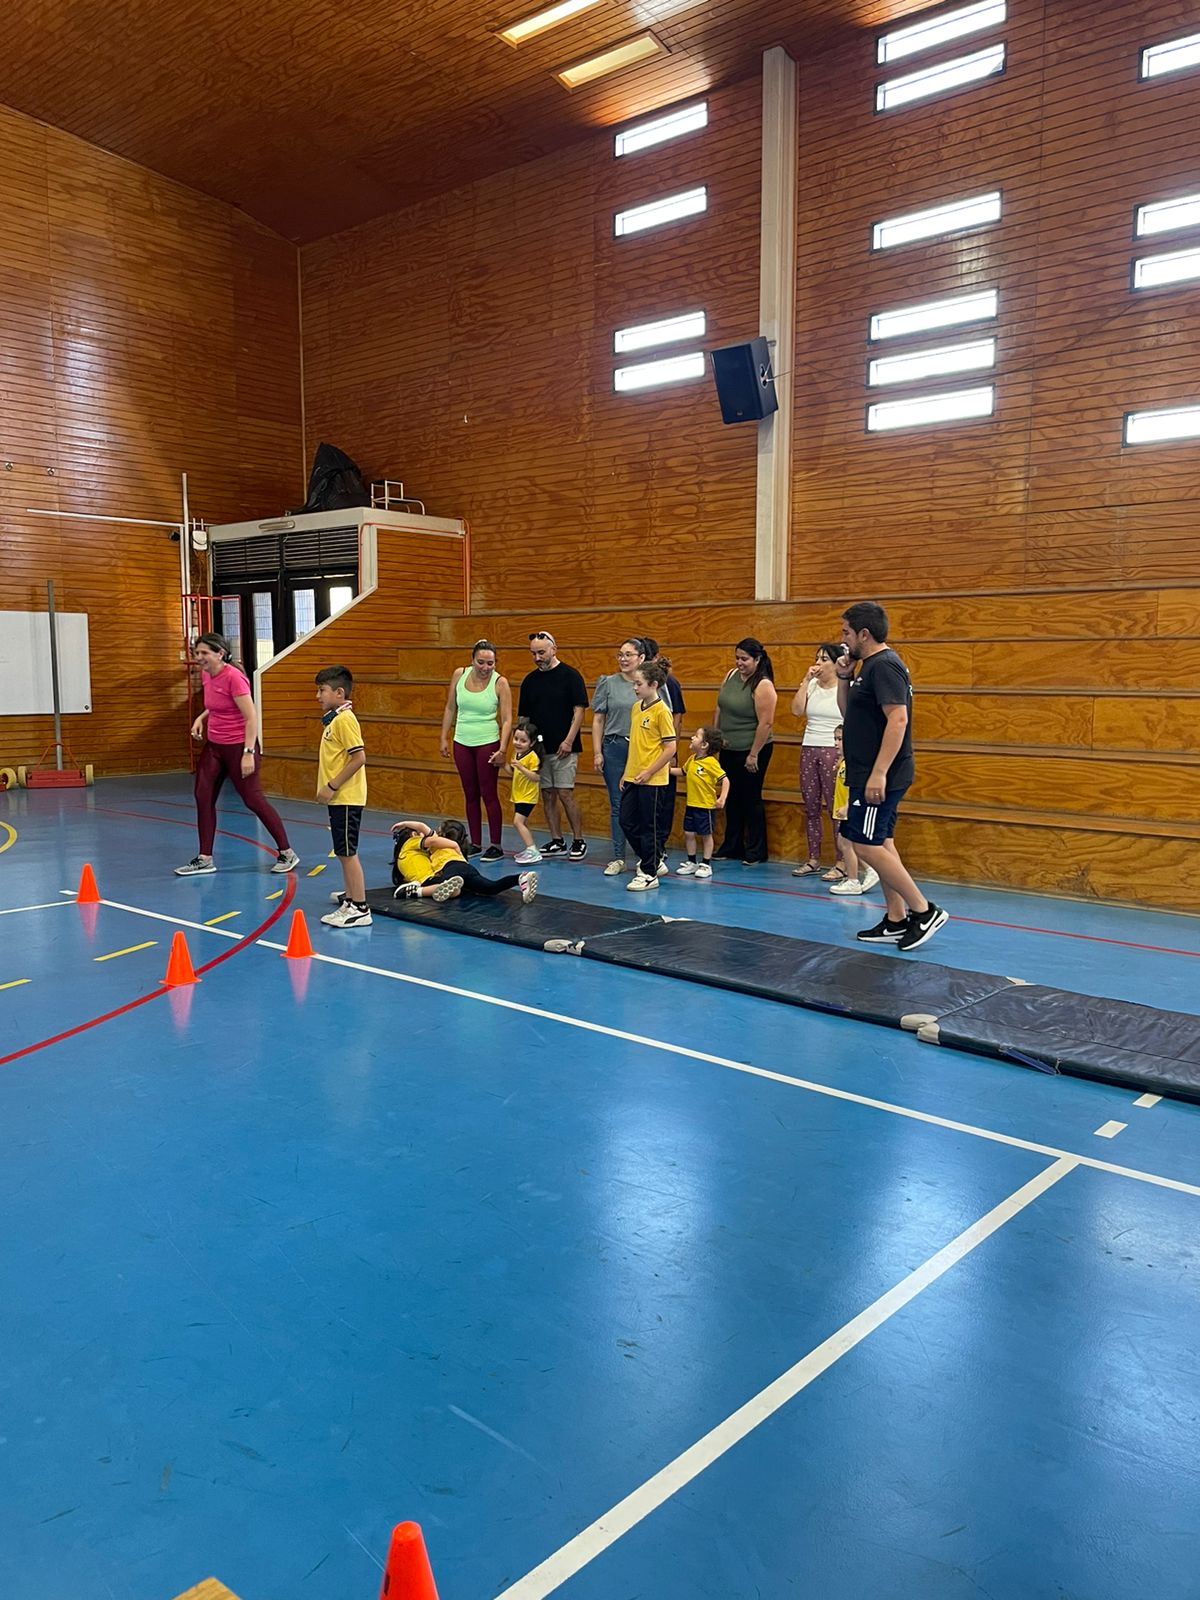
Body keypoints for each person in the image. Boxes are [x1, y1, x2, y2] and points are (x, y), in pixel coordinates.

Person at [835, 600, 947, 950]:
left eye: (846, 632)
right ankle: (896, 919)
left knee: (864, 844)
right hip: (865, 771)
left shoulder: (884, 666)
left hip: (880, 773)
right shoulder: (866, 667)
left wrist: (879, 773)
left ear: (864, 634)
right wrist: (843, 678)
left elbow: (898, 719)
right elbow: (849, 714)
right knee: (881, 842)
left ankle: (924, 910)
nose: (842, 639)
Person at [176, 632, 299, 877]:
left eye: (204, 653)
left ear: (220, 654)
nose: (199, 657)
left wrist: (248, 753)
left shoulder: (234, 678)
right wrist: (201, 718)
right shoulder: (207, 674)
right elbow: (217, 705)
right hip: (215, 746)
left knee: (252, 799)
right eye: (197, 653)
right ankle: (204, 858)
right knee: (203, 795)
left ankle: (287, 852)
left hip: (239, 745)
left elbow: (251, 717)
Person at [518, 631, 589, 859]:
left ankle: (578, 840)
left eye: (541, 652)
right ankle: (557, 840)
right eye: (533, 653)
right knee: (547, 794)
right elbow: (524, 718)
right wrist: (524, 748)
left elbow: (579, 712)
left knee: (565, 793)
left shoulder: (571, 676)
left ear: (553, 650)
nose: (537, 657)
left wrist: (568, 740)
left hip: (564, 749)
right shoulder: (529, 681)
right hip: (540, 750)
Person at [440, 639, 512, 861]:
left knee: (488, 793)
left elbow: (507, 719)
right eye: (481, 662)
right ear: (472, 660)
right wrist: (444, 737)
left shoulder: (500, 683)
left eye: (490, 663)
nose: (485, 668)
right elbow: (450, 707)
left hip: (487, 742)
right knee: (470, 793)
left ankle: (496, 845)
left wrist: (502, 749)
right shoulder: (459, 674)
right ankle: (476, 843)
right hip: (462, 741)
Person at [312, 665, 371, 928]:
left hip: (346, 797)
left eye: (322, 690)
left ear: (339, 693)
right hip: (340, 799)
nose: (318, 696)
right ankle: (350, 897)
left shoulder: (345, 720)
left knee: (347, 852)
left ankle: (359, 908)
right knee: (342, 850)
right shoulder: (335, 720)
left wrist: (332, 786)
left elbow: (359, 758)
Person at [713, 638, 777, 865]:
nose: (739, 663)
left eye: (744, 659)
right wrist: (715, 738)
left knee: (751, 798)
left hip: (752, 748)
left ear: (757, 660)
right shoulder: (730, 675)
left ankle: (756, 850)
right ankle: (732, 846)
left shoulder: (763, 685)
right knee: (732, 798)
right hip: (729, 747)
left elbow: (766, 723)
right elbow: (720, 707)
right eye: (737, 658)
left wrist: (753, 754)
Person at [792, 643, 850, 878]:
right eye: (817, 658)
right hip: (809, 747)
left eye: (824, 659)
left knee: (836, 807)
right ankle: (813, 858)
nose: (818, 663)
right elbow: (797, 710)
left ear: (836, 663)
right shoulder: (813, 684)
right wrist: (806, 681)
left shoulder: (845, 687)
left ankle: (842, 861)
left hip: (833, 749)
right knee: (811, 806)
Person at [618, 661, 677, 892]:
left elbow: (670, 748)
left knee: (648, 826)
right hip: (634, 776)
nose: (635, 688)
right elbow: (635, 744)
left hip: (652, 780)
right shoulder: (636, 708)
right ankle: (652, 859)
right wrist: (627, 772)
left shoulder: (662, 711)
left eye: (639, 684)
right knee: (626, 820)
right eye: (634, 683)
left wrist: (650, 771)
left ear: (653, 685)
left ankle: (649, 873)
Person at [591, 638, 646, 875]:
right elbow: (598, 719)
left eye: (628, 654)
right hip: (614, 747)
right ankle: (618, 857)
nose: (623, 659)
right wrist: (597, 752)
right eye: (620, 654)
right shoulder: (608, 683)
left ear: (641, 658)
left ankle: (647, 856)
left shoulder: (649, 683)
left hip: (642, 750)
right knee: (618, 804)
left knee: (643, 803)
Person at [390, 819, 538, 903]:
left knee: (445, 884)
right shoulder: (456, 848)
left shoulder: (436, 843)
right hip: (467, 868)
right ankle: (520, 878)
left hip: (450, 867)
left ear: (441, 834)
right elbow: (422, 827)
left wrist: (405, 823)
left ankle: (417, 891)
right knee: (490, 887)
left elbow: (422, 827)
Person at [640, 636, 685, 872]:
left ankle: (660, 846)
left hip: (663, 752)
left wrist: (673, 749)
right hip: (643, 753)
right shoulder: (637, 686)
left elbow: (677, 716)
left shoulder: (669, 684)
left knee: (662, 803)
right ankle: (647, 847)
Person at [826, 723, 879, 896]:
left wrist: (847, 806)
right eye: (835, 739)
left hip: (851, 808)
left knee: (846, 843)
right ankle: (866, 871)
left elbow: (855, 788)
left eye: (840, 739)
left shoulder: (854, 763)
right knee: (845, 843)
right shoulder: (844, 761)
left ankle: (854, 879)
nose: (836, 743)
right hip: (844, 808)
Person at [672, 726, 728, 878]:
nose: (692, 738)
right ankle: (692, 862)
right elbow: (682, 772)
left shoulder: (711, 763)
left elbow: (725, 780)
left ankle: (706, 864)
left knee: (706, 835)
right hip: (691, 804)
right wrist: (665, 769)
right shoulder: (692, 759)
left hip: (705, 806)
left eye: (696, 736)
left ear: (704, 745)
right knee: (689, 833)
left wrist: (722, 798)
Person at [504, 717, 545, 864]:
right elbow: (512, 772)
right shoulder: (516, 754)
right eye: (516, 739)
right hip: (518, 795)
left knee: (517, 822)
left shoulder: (532, 758)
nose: (518, 743)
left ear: (532, 743)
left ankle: (532, 849)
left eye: (523, 741)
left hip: (528, 796)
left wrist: (521, 767)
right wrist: (502, 765)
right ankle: (529, 848)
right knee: (522, 822)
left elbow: (536, 777)